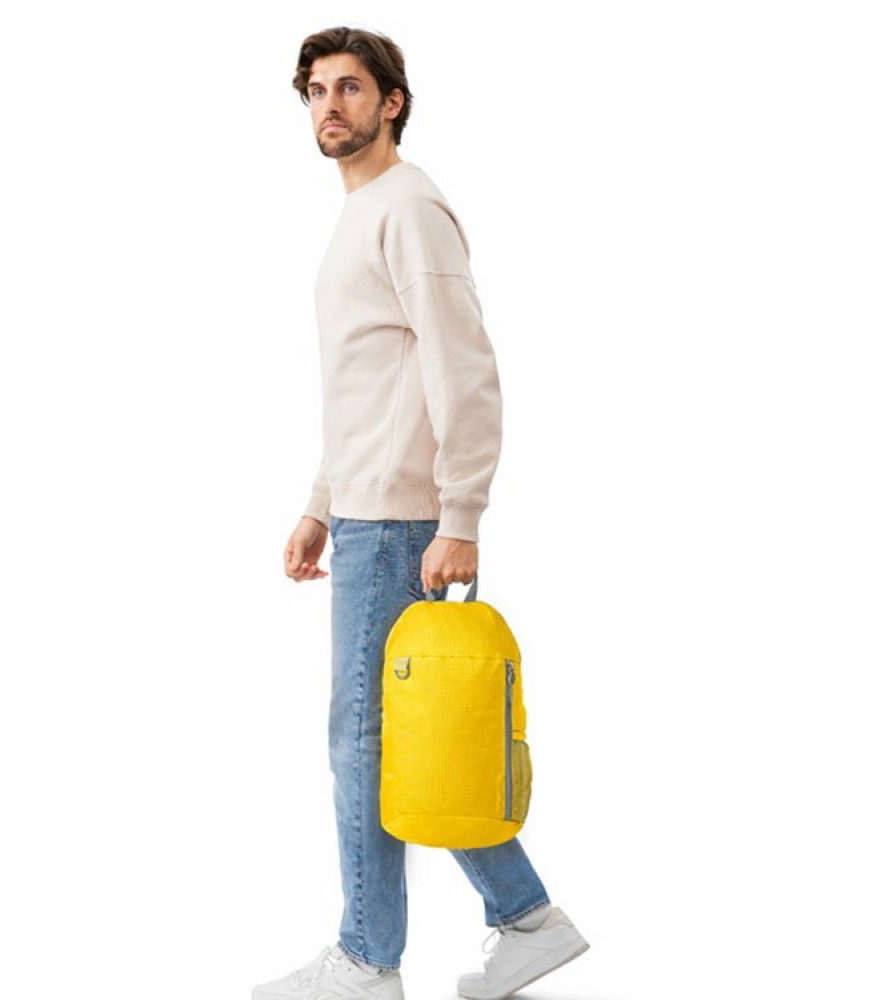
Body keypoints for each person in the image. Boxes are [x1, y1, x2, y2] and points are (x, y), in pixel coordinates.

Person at [254, 26, 590, 1000]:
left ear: (391, 102)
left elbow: (462, 368)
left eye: (350, 88)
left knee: (363, 743)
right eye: (316, 90)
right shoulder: (360, 216)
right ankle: (527, 919)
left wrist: (461, 515)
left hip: (402, 523)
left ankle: (368, 959)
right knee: (404, 736)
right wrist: (320, 504)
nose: (330, 106)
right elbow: (369, 387)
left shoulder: (408, 207)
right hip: (367, 516)